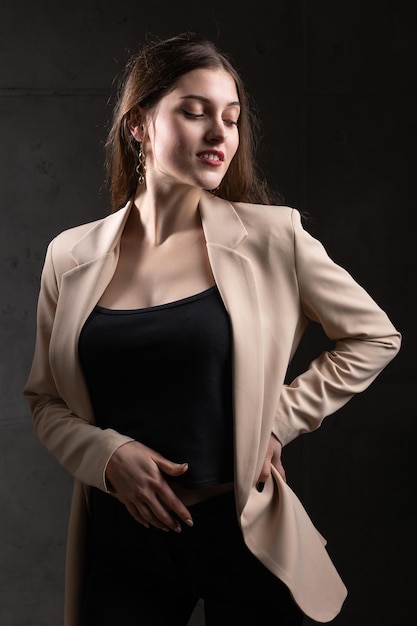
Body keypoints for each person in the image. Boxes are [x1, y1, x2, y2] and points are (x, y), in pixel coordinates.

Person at [23, 31, 401, 626]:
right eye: (195, 112)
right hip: (122, 548)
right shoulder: (69, 256)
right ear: (138, 125)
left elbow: (375, 336)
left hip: (244, 536)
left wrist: (276, 420)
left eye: (232, 117)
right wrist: (106, 453)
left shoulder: (275, 237)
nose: (220, 133)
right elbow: (45, 400)